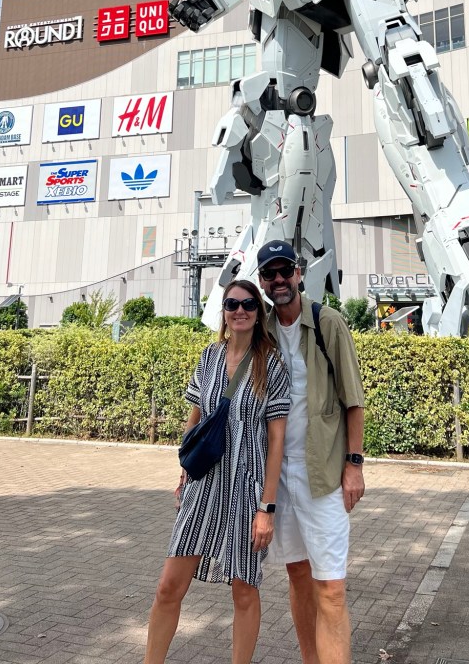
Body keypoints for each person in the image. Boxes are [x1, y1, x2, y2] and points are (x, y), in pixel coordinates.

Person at [143, 278, 290, 664]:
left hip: (247, 489)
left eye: (248, 304)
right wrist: (184, 470)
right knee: (168, 586)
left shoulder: (271, 364)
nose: (240, 311)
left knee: (244, 590)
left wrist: (267, 508)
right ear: (223, 312)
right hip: (204, 484)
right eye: (232, 304)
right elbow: (195, 419)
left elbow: (277, 442)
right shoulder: (209, 356)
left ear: (259, 313)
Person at [256, 241, 366, 664]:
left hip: (323, 476)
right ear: (263, 281)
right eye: (270, 274)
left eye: (285, 271)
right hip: (278, 479)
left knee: (331, 588)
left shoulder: (327, 323)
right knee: (298, 574)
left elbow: (353, 399)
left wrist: (354, 465)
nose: (279, 280)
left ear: (299, 273)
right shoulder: (261, 331)